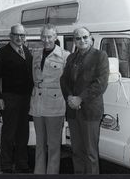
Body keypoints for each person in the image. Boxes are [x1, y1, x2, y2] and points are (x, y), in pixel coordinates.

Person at [60, 27, 109, 174]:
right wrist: (69, 97)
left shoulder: (100, 56)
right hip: (73, 112)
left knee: (90, 154)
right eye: (78, 38)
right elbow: (64, 80)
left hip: (90, 112)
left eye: (85, 37)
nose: (82, 40)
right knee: (76, 152)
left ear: (91, 38)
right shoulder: (71, 58)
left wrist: (80, 99)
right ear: (74, 41)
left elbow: (100, 83)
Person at [0, 23, 33, 173]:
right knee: (9, 133)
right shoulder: (3, 53)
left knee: (23, 132)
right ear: (11, 36)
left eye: (22, 35)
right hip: (10, 98)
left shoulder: (27, 51)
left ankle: (22, 163)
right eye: (17, 35)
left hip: (25, 99)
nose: (20, 38)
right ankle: (6, 164)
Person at [29, 24, 70, 174]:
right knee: (39, 144)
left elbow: (67, 82)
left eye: (50, 36)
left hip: (54, 106)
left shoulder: (65, 56)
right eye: (44, 36)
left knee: (53, 146)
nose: (46, 40)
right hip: (37, 105)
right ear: (41, 37)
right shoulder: (36, 54)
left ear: (55, 37)